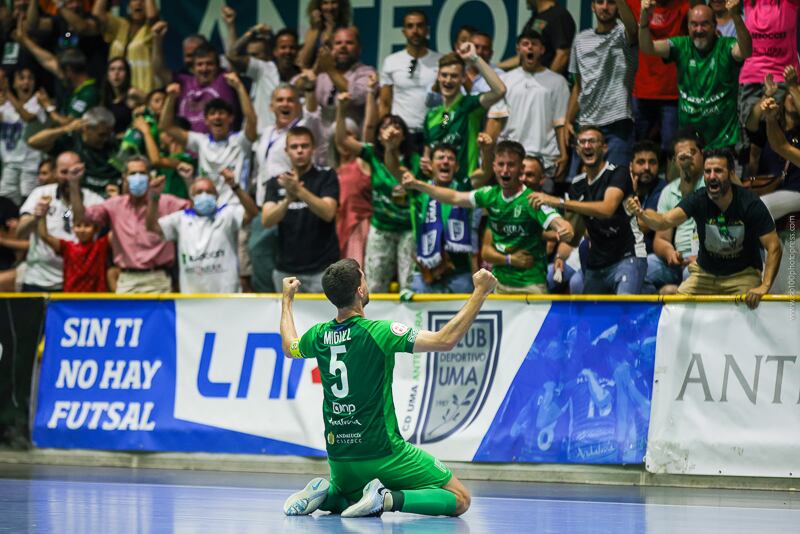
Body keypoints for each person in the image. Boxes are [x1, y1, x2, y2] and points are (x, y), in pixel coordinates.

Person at [280, 260, 498, 517]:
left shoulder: (319, 335)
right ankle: (386, 499)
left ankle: (328, 494)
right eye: (364, 278)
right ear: (360, 291)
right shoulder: (379, 332)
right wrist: (481, 292)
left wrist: (287, 300)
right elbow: (445, 340)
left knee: (351, 498)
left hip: (340, 458)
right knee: (460, 498)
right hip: (383, 452)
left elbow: (289, 346)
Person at [403, 140, 573, 294]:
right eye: (501, 164)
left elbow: (564, 227)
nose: (505, 170)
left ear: (521, 169)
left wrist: (563, 229)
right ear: (494, 167)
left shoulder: (532, 200)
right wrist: (418, 184)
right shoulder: (490, 195)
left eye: (511, 165)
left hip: (531, 285)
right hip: (498, 285)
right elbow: (454, 197)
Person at [627, 148, 782, 309]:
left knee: (748, 308)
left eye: (718, 171)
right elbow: (664, 221)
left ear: (731, 173)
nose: (712, 176)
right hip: (705, 274)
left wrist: (764, 286)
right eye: (707, 171)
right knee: (676, 308)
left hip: (742, 275)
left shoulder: (749, 203)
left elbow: (774, 247)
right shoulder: (698, 199)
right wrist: (642, 214)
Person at [530, 126, 648, 294]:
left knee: (624, 309)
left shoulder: (618, 173)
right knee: (588, 319)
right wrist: (559, 251)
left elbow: (607, 209)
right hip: (597, 263)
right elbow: (575, 234)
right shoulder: (577, 185)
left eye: (592, 141)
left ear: (604, 147)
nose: (587, 145)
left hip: (628, 256)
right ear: (577, 149)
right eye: (582, 142)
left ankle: (645, 289)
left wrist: (560, 202)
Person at [639, 0, 752, 150]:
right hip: (690, 144)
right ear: (688, 26)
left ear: (714, 26)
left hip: (724, 142)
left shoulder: (725, 46)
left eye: (704, 24)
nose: (699, 30)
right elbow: (648, 47)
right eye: (694, 24)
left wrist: (736, 17)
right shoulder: (681, 46)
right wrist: (645, 17)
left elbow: (746, 51)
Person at [70, 155, 190, 294]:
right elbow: (81, 217)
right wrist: (74, 184)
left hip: (158, 279)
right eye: (133, 174)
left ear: (150, 177)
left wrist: (188, 180)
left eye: (142, 173)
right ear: (125, 177)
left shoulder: (167, 202)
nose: (137, 177)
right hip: (127, 280)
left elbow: (196, 212)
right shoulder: (114, 205)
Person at [336, 92, 417, 293]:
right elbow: (342, 140)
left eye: (397, 126)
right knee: (373, 285)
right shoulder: (372, 154)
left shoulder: (415, 160)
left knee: (408, 286)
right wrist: (341, 110)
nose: (391, 130)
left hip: (409, 228)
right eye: (385, 127)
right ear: (379, 135)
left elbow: (402, 175)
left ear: (404, 134)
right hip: (381, 227)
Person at [146, 169, 258, 293]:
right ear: (192, 196)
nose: (204, 195)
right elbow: (152, 227)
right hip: (193, 297)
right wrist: (154, 198)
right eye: (199, 192)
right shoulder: (180, 218)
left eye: (209, 192)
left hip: (227, 294)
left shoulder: (227, 214)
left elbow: (252, 213)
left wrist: (234, 186)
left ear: (216, 195)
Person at [160, 72, 257, 207]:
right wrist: (170, 98)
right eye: (212, 114)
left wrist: (239, 87)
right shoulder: (201, 142)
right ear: (206, 120)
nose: (217, 117)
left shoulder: (241, 141)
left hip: (236, 208)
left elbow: (251, 120)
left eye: (222, 113)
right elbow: (166, 127)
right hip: (208, 209)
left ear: (231, 118)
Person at [262, 126, 339, 293]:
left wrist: (298, 190)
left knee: (324, 319)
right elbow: (267, 220)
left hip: (322, 270)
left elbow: (328, 213)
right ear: (286, 151)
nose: (299, 151)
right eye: (294, 147)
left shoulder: (327, 176)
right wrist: (288, 199)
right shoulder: (276, 182)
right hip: (286, 270)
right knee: (288, 319)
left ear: (313, 149)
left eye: (304, 146)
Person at [565, 0, 637, 176]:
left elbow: (634, 30)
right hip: (586, 124)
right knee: (578, 185)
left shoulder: (623, 34)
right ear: (592, 6)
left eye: (611, 2)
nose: (605, 7)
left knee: (615, 183)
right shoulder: (581, 39)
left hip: (617, 124)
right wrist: (568, 120)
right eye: (600, 2)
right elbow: (578, 86)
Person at [487, 30, 569, 181]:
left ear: (542, 49)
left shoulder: (558, 82)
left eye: (534, 44)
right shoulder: (444, 112)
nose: (530, 48)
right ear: (518, 49)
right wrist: (487, 155)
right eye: (525, 44)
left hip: (545, 160)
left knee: (539, 203)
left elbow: (561, 123)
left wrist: (564, 154)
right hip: (509, 160)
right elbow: (494, 121)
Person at [16, 151, 104, 292]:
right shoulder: (40, 194)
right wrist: (36, 218)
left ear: (82, 170)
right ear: (55, 173)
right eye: (64, 172)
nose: (69, 177)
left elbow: (80, 220)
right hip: (38, 280)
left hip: (78, 283)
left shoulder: (95, 200)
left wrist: (74, 187)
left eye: (74, 171)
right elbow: (20, 233)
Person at [423, 43, 506, 190]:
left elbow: (499, 90)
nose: (448, 80)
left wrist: (475, 58)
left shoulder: (469, 106)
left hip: (465, 188)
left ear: (463, 78)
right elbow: (427, 155)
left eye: (454, 76)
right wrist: (425, 163)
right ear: (438, 77)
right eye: (444, 75)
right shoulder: (432, 115)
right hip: (438, 190)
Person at [625, 0, 697, 154]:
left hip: (673, 91)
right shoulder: (637, 3)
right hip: (642, 89)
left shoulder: (684, 4)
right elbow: (631, 32)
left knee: (672, 150)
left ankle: (672, 179)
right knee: (638, 149)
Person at [647, 130, 705, 292]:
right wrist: (669, 252)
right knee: (640, 268)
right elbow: (661, 238)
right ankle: (659, 311)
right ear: (674, 161)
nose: (687, 159)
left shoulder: (711, 183)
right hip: (676, 261)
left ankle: (675, 293)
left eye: (692, 153)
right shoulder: (668, 191)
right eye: (681, 155)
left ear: (702, 154)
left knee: (690, 273)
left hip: (705, 260)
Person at [379, 10, 442, 149]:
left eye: (420, 26)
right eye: (410, 26)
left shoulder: (441, 61)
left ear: (426, 30)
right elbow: (384, 103)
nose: (415, 30)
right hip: (400, 134)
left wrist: (444, 126)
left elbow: (449, 104)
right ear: (403, 31)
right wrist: (384, 133)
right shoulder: (391, 61)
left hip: (432, 133)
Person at [253, 83, 323, 206]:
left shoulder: (302, 130)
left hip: (290, 202)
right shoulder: (267, 132)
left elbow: (313, 115)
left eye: (290, 100)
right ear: (271, 107)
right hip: (263, 202)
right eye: (280, 100)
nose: (285, 104)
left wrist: (310, 89)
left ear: (298, 106)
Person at [315, 27, 376, 165]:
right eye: (338, 43)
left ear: (359, 48)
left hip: (352, 157)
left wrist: (330, 69)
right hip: (323, 157)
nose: (343, 47)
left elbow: (357, 97)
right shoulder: (322, 76)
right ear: (331, 48)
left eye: (349, 43)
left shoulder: (366, 72)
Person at [28, 106, 120, 197]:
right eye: (101, 135)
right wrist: (65, 129)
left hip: (103, 198)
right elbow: (33, 141)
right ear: (86, 128)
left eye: (109, 134)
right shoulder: (70, 141)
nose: (105, 139)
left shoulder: (114, 146)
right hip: (74, 198)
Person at [222, 6, 279, 133]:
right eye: (249, 55)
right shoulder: (243, 78)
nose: (250, 60)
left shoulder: (268, 72)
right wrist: (231, 27)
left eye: (256, 55)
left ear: (269, 55)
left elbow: (232, 55)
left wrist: (252, 31)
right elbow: (232, 56)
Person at [35, 195, 109, 292]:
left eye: (87, 226)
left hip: (96, 300)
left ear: (96, 229)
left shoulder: (101, 245)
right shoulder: (67, 247)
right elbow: (44, 236)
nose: (82, 230)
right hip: (71, 299)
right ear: (73, 228)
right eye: (78, 226)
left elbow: (116, 232)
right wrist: (43, 213)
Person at [0, 67, 46, 205]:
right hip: (10, 164)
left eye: (30, 78)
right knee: (5, 203)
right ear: (13, 83)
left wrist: (8, 93)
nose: (26, 82)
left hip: (31, 166)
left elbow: (27, 117)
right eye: (21, 78)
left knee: (30, 204)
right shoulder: (4, 105)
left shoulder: (38, 104)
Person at [92, 0, 158, 93]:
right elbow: (97, 13)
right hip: (117, 91)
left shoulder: (152, 29)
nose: (138, 3)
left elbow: (152, 16)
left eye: (143, 1)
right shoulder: (121, 25)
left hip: (142, 91)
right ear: (129, 4)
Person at [500, 0, 576, 75]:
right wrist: (495, 67)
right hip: (531, 83)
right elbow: (522, 57)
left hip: (549, 84)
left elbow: (563, 54)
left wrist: (548, 80)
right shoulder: (534, 18)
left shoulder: (559, 16)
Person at [761, 90, 800, 219]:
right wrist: (770, 118)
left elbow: (782, 147)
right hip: (778, 190)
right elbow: (780, 146)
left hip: (797, 191)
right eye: (792, 92)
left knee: (760, 206)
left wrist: (792, 85)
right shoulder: (779, 132)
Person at [297, 0, 352, 69]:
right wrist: (317, 29)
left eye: (334, 2)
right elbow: (303, 62)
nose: (330, 8)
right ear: (318, 7)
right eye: (325, 3)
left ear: (341, 5)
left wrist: (331, 28)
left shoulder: (346, 31)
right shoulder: (312, 31)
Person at [99, 57, 134, 135]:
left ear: (127, 74)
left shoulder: (132, 93)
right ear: (107, 75)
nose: (116, 73)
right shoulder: (106, 97)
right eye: (112, 69)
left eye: (121, 69)